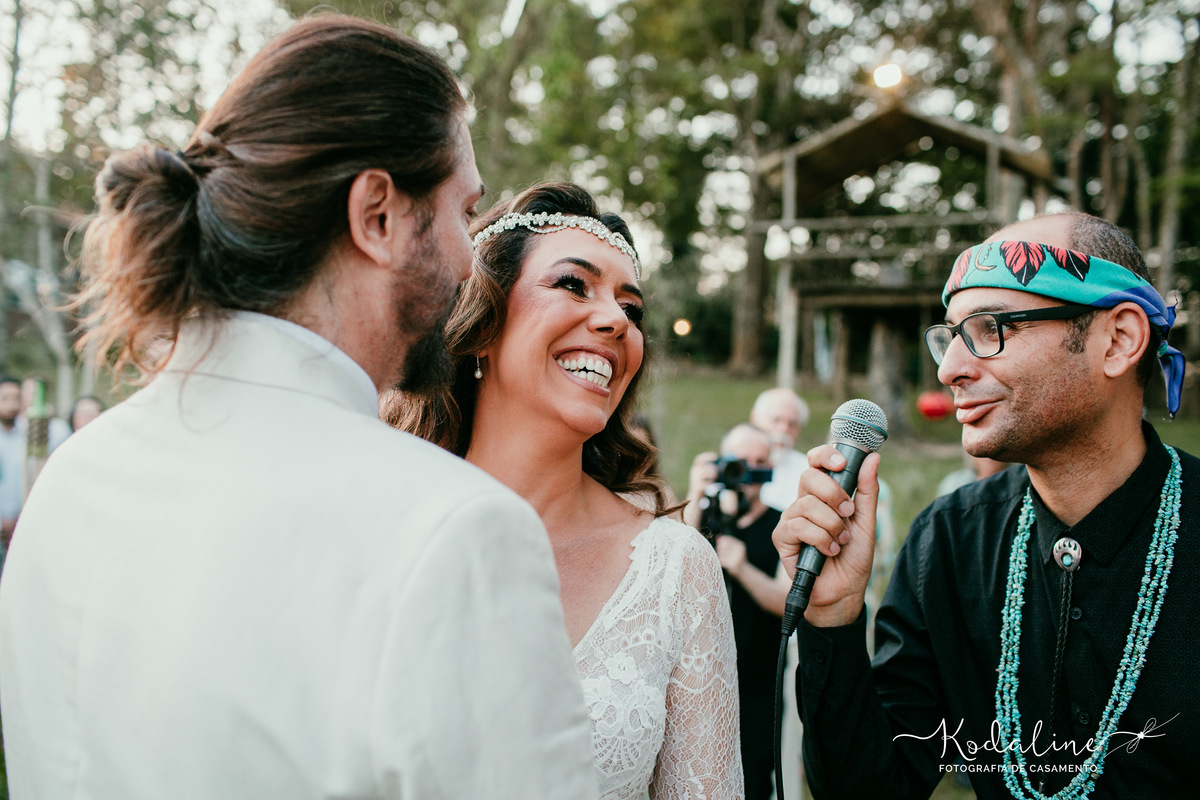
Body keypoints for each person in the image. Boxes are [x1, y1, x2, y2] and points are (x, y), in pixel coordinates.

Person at [0, 16, 599, 800]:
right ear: (377, 214)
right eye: (463, 211)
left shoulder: (75, 479)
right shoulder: (456, 532)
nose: (468, 260)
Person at [773, 211, 1198, 799]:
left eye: (991, 328)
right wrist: (832, 620)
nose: (949, 369)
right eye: (950, 336)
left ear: (1118, 340)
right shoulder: (947, 541)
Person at [386, 182, 742, 800]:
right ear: (483, 322)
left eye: (632, 309)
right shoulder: (382, 528)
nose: (614, 321)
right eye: (573, 285)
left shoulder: (675, 569)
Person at [684, 423, 789, 800]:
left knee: (754, 781)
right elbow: (672, 568)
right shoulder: (703, 519)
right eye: (740, 462)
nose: (749, 473)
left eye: (760, 463)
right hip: (699, 681)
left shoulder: (782, 524)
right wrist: (697, 492)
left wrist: (742, 568)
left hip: (758, 684)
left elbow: (786, 602)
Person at [751, 387, 810, 513]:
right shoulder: (734, 465)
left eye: (792, 424)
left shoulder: (808, 471)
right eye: (776, 420)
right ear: (754, 418)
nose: (784, 429)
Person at [936, 450, 1008, 497]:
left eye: (995, 451)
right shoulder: (954, 484)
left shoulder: (1012, 484)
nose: (989, 457)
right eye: (983, 452)